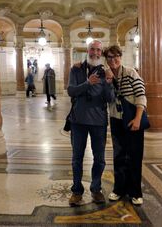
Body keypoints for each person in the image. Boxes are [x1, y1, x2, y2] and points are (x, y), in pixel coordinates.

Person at [67, 40, 115, 206]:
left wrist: (109, 83)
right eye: (92, 49)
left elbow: (110, 99)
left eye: (98, 50)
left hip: (98, 122)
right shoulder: (76, 69)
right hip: (78, 121)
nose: (95, 53)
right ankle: (77, 191)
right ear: (87, 51)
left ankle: (96, 189)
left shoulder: (105, 72)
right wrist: (88, 83)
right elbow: (71, 91)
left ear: (101, 53)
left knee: (100, 159)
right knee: (77, 158)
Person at [104, 45, 147, 206]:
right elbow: (107, 98)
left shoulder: (130, 73)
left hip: (132, 118)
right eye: (109, 57)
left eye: (116, 56)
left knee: (134, 156)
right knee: (119, 156)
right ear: (106, 59)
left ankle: (136, 192)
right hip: (116, 120)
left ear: (120, 57)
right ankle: (119, 189)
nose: (113, 60)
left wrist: (137, 118)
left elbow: (141, 95)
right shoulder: (106, 76)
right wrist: (108, 82)